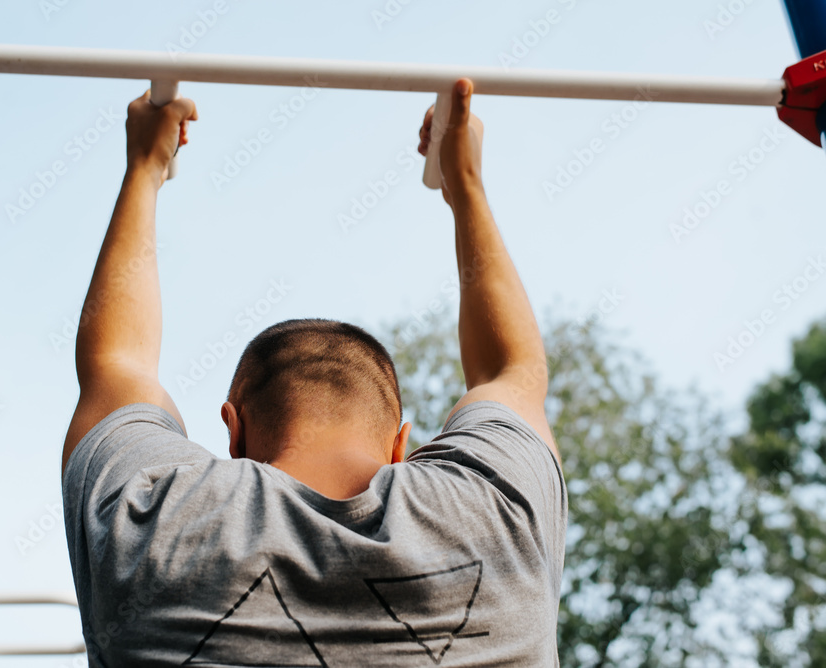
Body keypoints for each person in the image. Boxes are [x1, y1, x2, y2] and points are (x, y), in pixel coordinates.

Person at [61, 77, 567, 667]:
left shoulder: (147, 522)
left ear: (234, 430)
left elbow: (115, 363)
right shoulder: (498, 514)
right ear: (401, 444)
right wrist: (466, 183)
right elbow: (512, 369)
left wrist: (143, 171)